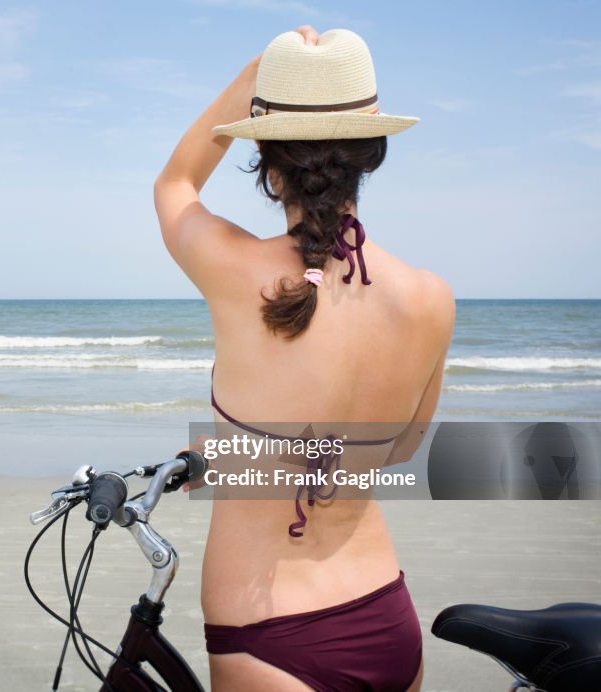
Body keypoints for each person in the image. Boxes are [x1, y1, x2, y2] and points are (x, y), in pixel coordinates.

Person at [153, 25, 454, 691]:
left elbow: (175, 183)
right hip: (385, 615)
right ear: (372, 152)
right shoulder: (431, 299)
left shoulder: (236, 272)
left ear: (266, 161)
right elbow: (401, 450)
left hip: (269, 635)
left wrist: (253, 77)